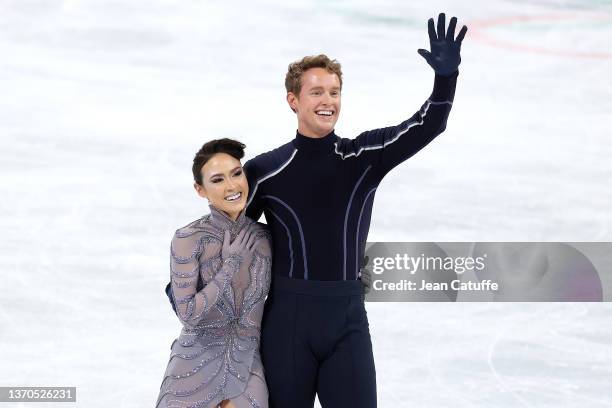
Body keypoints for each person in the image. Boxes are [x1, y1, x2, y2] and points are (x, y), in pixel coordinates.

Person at [242, 13, 467, 408]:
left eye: (334, 92)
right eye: (316, 92)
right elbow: (229, 236)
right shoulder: (266, 171)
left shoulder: (362, 157)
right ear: (293, 100)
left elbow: (429, 123)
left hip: (346, 319)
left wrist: (445, 78)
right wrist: (190, 280)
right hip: (286, 324)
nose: (327, 101)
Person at [157, 139, 272, 408]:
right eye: (218, 180)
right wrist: (230, 264)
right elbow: (188, 313)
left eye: (236, 173)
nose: (232, 186)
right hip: (192, 368)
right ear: (201, 190)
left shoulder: (266, 237)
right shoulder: (188, 238)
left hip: (248, 368)